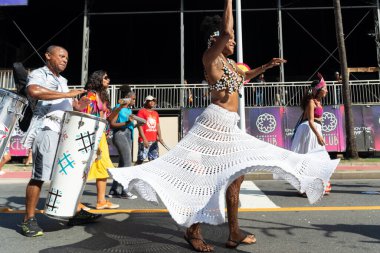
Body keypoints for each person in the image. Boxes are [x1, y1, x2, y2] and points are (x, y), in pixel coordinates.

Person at [108, 1, 339, 252]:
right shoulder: (211, 57)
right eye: (230, 41)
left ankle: (233, 232)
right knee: (206, 179)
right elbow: (227, 32)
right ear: (216, 38)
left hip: (229, 125)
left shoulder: (230, 65)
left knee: (236, 178)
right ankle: (193, 231)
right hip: (213, 124)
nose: (234, 43)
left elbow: (244, 77)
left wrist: (266, 66)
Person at [20, 45, 100, 237]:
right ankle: (28, 220)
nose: (65, 60)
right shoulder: (40, 74)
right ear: (48, 56)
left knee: (67, 173)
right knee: (40, 175)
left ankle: (73, 211)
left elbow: (69, 105)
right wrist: (67, 94)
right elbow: (34, 91)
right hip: (47, 128)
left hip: (64, 132)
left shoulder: (62, 80)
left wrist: (79, 105)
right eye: (61, 56)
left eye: (67, 58)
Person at [81, 70, 120, 209]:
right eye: (105, 78)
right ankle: (75, 199)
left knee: (102, 165)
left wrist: (120, 106)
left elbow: (108, 118)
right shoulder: (91, 96)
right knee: (83, 167)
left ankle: (101, 201)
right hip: (92, 135)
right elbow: (87, 116)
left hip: (101, 135)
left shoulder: (102, 96)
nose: (108, 80)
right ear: (98, 79)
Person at [291, 73, 332, 196]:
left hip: (314, 130)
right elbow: (310, 121)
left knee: (318, 158)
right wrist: (318, 136)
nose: (327, 91)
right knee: (310, 158)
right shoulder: (311, 102)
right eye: (325, 88)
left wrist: (320, 134)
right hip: (308, 130)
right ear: (318, 90)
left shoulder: (319, 103)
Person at [107, 85, 138, 200]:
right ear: (127, 98)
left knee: (122, 164)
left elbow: (128, 125)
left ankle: (115, 190)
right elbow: (112, 124)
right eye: (133, 99)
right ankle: (125, 191)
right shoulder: (118, 107)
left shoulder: (129, 110)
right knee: (127, 164)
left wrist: (135, 124)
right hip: (120, 134)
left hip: (128, 135)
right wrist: (127, 123)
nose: (134, 100)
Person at [135, 95, 164, 165]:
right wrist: (144, 139)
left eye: (153, 101)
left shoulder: (155, 113)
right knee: (141, 159)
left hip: (154, 140)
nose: (152, 102)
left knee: (154, 159)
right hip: (145, 140)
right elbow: (139, 126)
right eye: (150, 101)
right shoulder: (141, 112)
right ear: (146, 102)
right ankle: (134, 173)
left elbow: (157, 126)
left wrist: (160, 137)